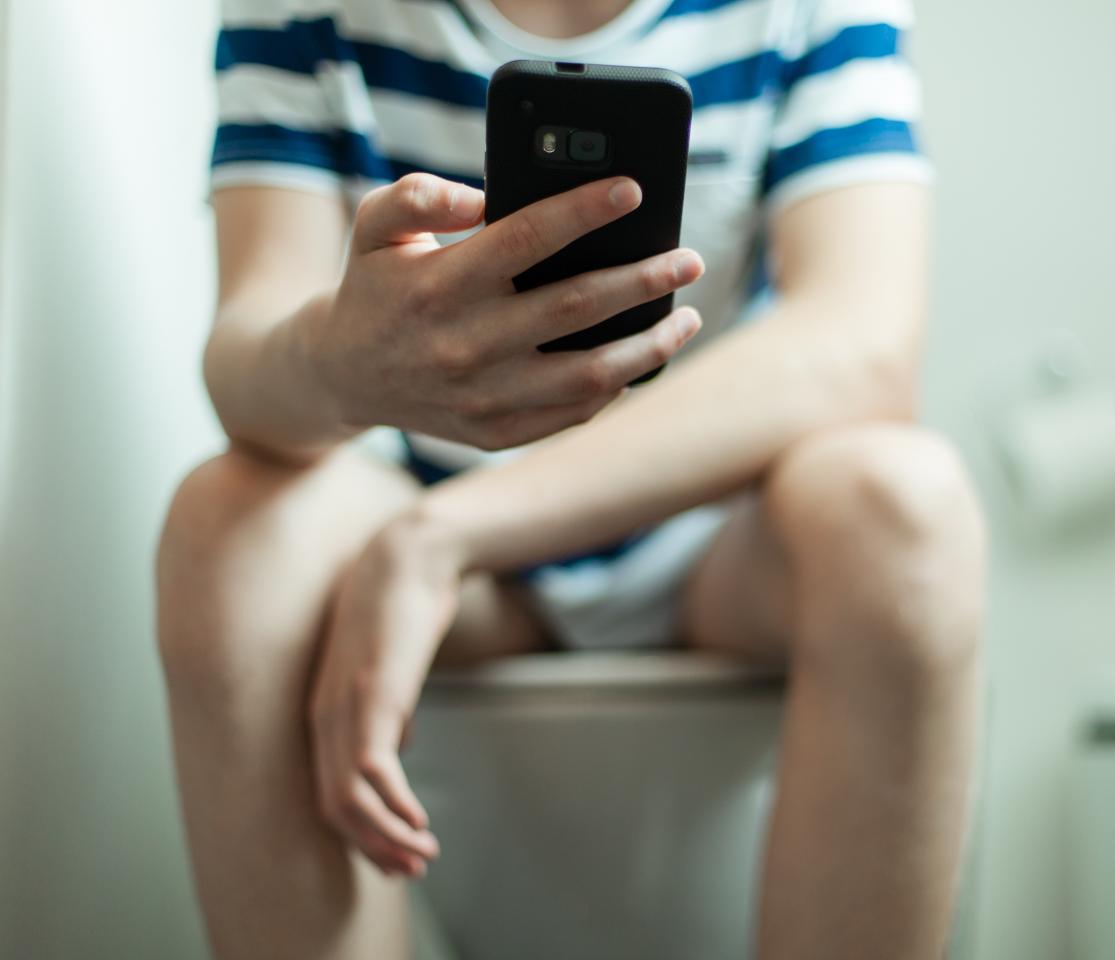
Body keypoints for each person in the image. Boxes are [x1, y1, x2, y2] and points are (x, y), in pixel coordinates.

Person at [154, 0, 987, 957]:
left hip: (699, 549)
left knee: (907, 513)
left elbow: (865, 344)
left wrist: (445, 534)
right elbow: (247, 367)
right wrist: (344, 360)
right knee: (222, 530)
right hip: (468, 581)